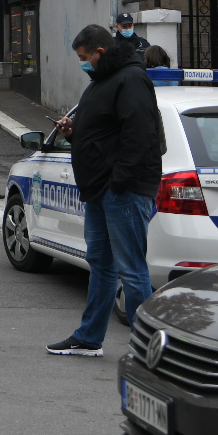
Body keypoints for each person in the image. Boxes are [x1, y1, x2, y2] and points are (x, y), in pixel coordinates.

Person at [46, 24, 163, 358]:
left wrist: (118, 182)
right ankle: (89, 337)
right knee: (101, 264)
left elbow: (140, 136)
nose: (82, 64)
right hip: (101, 189)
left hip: (121, 190)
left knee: (131, 269)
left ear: (100, 52)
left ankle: (146, 347)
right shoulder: (103, 80)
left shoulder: (131, 79)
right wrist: (74, 131)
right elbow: (104, 130)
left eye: (84, 57)